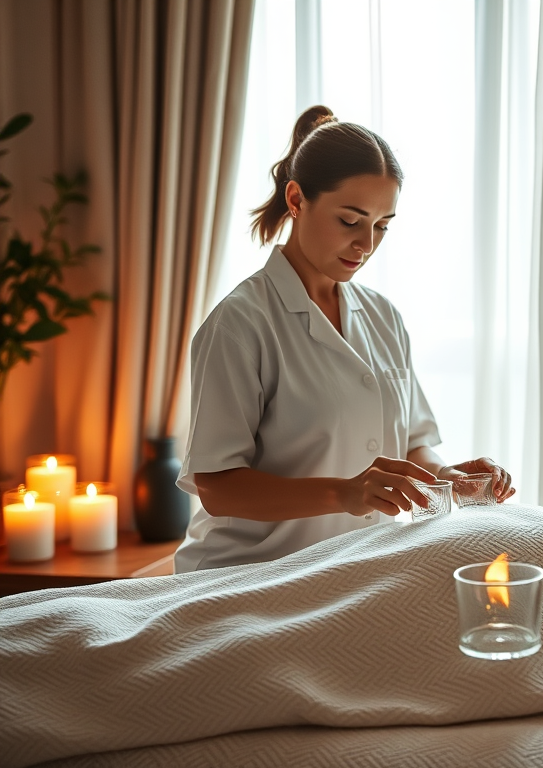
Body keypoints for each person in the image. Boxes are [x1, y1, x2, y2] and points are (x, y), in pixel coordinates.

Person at [173, 106, 515, 573]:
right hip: (249, 573)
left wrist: (447, 477)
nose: (366, 244)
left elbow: (412, 445)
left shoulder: (384, 318)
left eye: (382, 226)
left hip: (354, 569)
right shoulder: (240, 325)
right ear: (296, 199)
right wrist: (345, 492)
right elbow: (217, 486)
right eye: (350, 221)